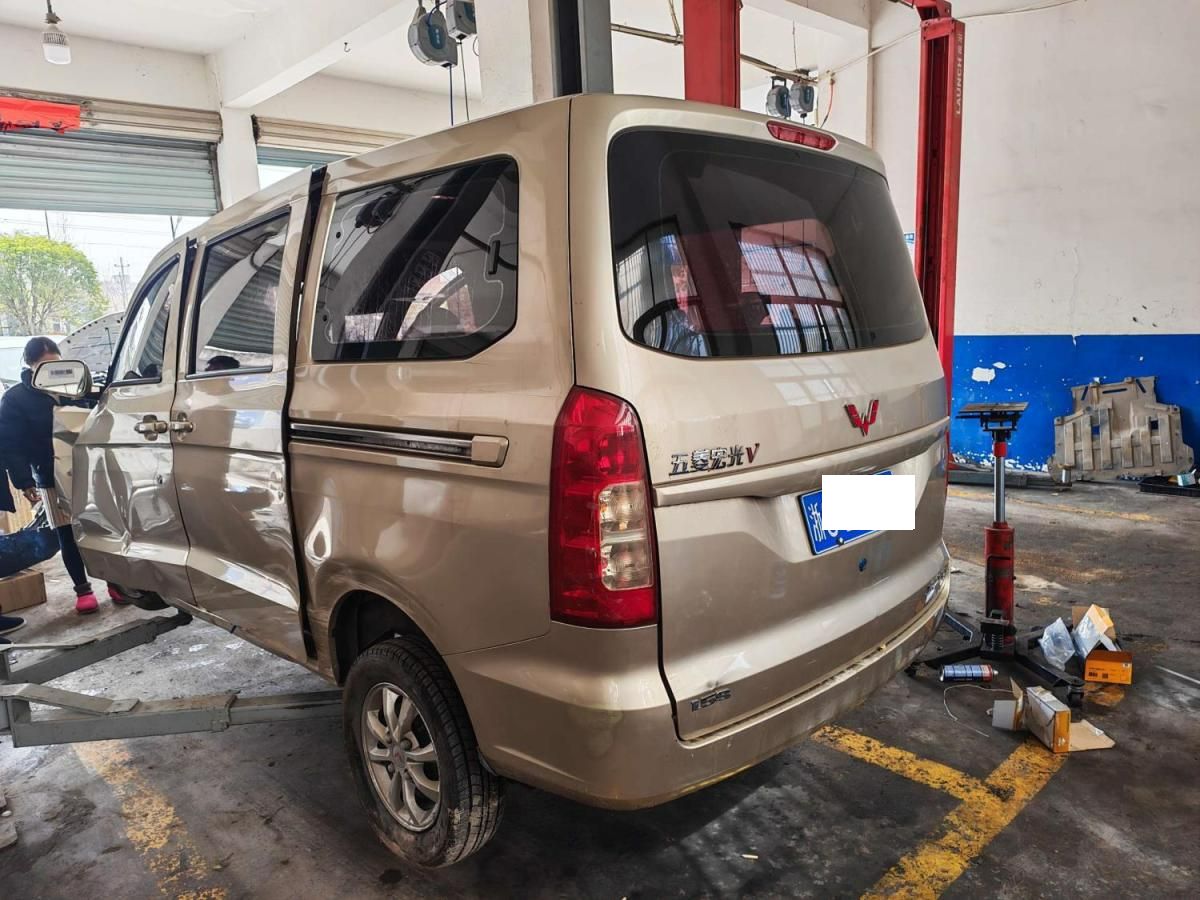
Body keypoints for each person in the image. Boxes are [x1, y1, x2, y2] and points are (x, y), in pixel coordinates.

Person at [0, 337, 127, 617]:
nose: (52, 371)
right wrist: (24, 482)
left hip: (89, 469)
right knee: (66, 533)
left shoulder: (78, 387)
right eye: (44, 366)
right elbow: (11, 444)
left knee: (102, 528)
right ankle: (83, 591)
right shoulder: (16, 399)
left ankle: (116, 583)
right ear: (30, 366)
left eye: (56, 364)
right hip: (49, 474)